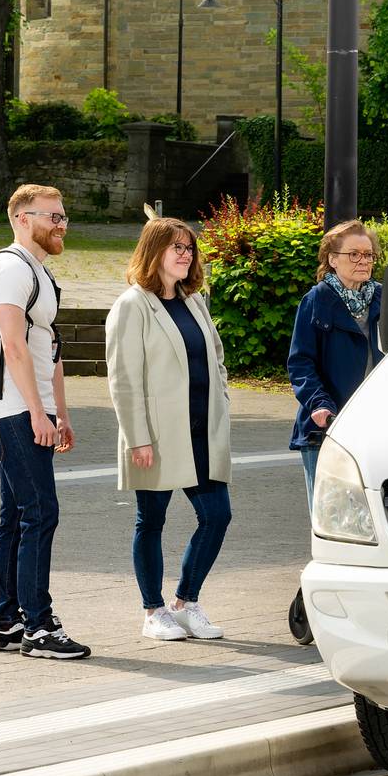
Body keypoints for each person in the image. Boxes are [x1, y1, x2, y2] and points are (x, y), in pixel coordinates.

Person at [107, 218, 234, 642]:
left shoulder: (194, 301)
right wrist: (137, 438)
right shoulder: (132, 305)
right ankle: (153, 611)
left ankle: (185, 603)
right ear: (153, 251)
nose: (185, 254)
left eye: (189, 248)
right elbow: (123, 378)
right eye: (176, 247)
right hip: (157, 437)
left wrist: (222, 400)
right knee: (152, 521)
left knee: (217, 516)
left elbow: (216, 358)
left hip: (202, 433)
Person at [0, 184, 89, 659]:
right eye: (52, 217)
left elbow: (51, 350)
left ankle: (5, 621)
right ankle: (38, 628)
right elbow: (13, 345)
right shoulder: (9, 268)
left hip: (29, 408)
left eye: (63, 217)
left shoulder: (38, 272)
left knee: (17, 515)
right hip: (13, 410)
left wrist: (61, 412)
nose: (61, 225)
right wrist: (38, 413)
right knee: (40, 513)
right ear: (22, 219)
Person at [286, 221, 383, 644]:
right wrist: (320, 405)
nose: (363, 261)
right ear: (332, 259)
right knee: (332, 523)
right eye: (353, 254)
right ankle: (312, 605)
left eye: (368, 255)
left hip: (378, 429)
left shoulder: (385, 299)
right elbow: (300, 363)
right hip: (327, 430)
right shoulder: (317, 301)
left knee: (372, 524)